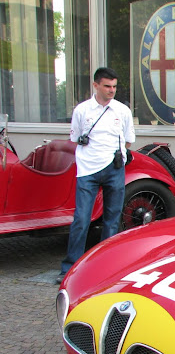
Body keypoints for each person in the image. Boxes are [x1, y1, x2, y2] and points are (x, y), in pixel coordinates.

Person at [57, 67, 135, 283]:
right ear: (96, 85)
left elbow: (128, 139)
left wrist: (117, 156)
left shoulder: (122, 110)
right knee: (81, 219)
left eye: (114, 86)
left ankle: (105, 266)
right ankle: (70, 267)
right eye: (107, 86)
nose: (112, 90)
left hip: (114, 168)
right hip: (87, 169)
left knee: (112, 218)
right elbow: (75, 138)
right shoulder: (82, 110)